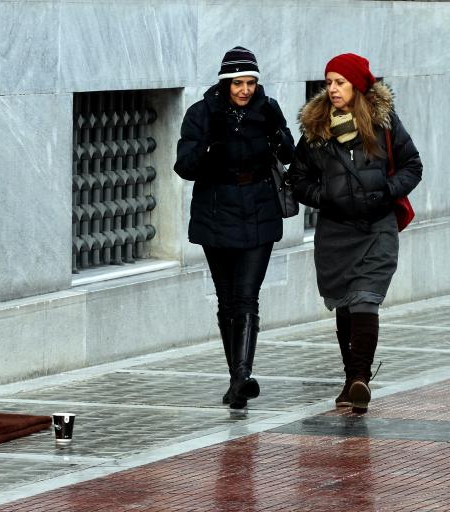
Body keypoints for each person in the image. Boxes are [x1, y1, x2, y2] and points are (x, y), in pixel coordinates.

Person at [288, 53, 422, 413]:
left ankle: (361, 376)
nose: (332, 89)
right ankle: (351, 379)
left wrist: (386, 190)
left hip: (377, 227)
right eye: (329, 82)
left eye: (340, 82)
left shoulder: (384, 123)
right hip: (335, 231)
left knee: (365, 299)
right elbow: (297, 178)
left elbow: (412, 165)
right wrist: (324, 197)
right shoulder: (316, 128)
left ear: (357, 86)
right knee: (345, 305)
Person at [174, 47, 295, 409]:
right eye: (238, 82)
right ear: (225, 82)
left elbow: (290, 154)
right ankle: (236, 379)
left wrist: (278, 135)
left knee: (246, 296)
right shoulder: (202, 113)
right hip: (216, 211)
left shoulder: (268, 108)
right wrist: (210, 145)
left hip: (259, 209)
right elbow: (184, 166)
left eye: (250, 82)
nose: (245, 89)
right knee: (227, 298)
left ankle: (242, 376)